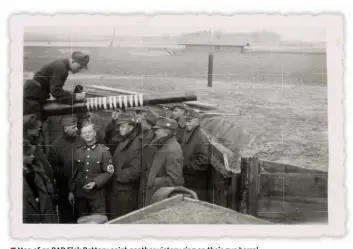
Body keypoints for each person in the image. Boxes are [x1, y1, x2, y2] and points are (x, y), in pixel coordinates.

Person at [23, 51, 89, 120]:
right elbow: (55, 91)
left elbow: (56, 89)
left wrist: (70, 95)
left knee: (36, 123)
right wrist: (75, 97)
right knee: (33, 123)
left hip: (34, 94)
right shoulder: (61, 68)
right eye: (80, 66)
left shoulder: (62, 65)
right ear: (73, 61)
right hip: (32, 97)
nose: (80, 69)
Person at [68, 122, 114, 218]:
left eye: (89, 132)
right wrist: (71, 191)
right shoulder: (78, 151)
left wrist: (95, 183)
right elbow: (75, 172)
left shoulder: (103, 151)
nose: (87, 134)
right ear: (81, 135)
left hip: (97, 195)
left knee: (99, 222)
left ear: (94, 133)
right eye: (84, 133)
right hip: (81, 194)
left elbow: (109, 172)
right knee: (82, 222)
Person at [140, 117, 184, 207]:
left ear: (166, 132)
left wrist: (153, 181)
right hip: (156, 193)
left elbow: (175, 180)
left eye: (158, 130)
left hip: (160, 195)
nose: (156, 132)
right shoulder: (164, 145)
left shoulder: (171, 150)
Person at [47, 115, 82, 223]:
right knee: (68, 219)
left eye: (76, 126)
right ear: (65, 129)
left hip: (81, 187)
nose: (77, 129)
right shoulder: (56, 146)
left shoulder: (81, 140)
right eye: (73, 127)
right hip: (65, 190)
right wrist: (68, 172)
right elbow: (53, 168)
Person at [107, 113, 142, 219]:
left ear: (131, 128)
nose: (119, 129)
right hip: (119, 189)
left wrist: (116, 174)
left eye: (123, 126)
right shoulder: (125, 140)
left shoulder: (135, 144)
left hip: (126, 192)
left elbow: (135, 171)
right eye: (119, 126)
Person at [181, 109, 210, 201]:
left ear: (197, 122)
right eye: (186, 121)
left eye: (189, 121)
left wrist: (186, 166)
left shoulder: (201, 138)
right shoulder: (188, 132)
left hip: (195, 180)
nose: (186, 124)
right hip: (188, 177)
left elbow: (203, 161)